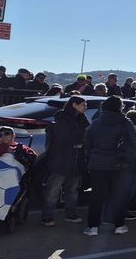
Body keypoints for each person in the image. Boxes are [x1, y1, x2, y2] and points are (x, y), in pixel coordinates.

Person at [83, 96, 136, 236]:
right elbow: (135, 143)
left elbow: (87, 143)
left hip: (97, 162)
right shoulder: (124, 122)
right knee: (119, 195)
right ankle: (119, 225)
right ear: (119, 107)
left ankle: (93, 227)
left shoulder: (96, 122)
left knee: (96, 196)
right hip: (119, 163)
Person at [41, 96, 90, 226]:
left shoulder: (82, 120)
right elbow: (57, 142)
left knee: (72, 190)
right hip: (61, 159)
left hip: (76, 159)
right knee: (53, 190)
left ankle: (70, 214)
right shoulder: (61, 120)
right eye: (83, 104)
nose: (86, 107)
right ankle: (47, 216)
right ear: (74, 105)